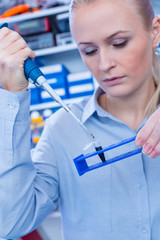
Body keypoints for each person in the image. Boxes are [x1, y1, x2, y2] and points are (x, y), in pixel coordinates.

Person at [0, 0, 160, 239]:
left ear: (155, 32)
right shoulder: (60, 131)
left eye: (119, 43)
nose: (105, 65)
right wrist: (12, 94)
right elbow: (9, 224)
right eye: (89, 51)